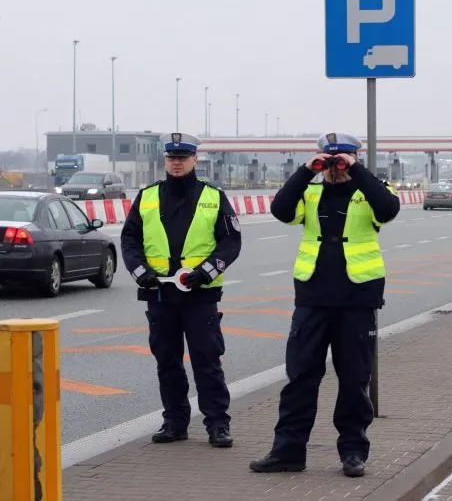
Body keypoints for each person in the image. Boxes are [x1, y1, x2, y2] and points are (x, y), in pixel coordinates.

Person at [250, 132, 401, 477]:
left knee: (353, 379)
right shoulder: (310, 191)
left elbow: (388, 210)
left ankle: (352, 452)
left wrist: (357, 171)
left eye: (341, 159)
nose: (334, 167)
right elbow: (280, 210)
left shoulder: (371, 190)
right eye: (329, 160)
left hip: (357, 298)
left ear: (354, 158)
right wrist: (307, 171)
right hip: (313, 297)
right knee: (300, 376)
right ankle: (287, 451)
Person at [120, 132, 242, 448]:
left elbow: (231, 242)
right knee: (167, 360)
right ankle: (175, 422)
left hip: (200, 294)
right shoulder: (146, 197)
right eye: (172, 158)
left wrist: (206, 272)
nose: (177, 163)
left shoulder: (213, 197)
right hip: (160, 293)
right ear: (165, 161)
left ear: (194, 160)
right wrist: (139, 271)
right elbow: (130, 240)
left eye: (183, 158)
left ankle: (217, 425)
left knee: (206, 359)